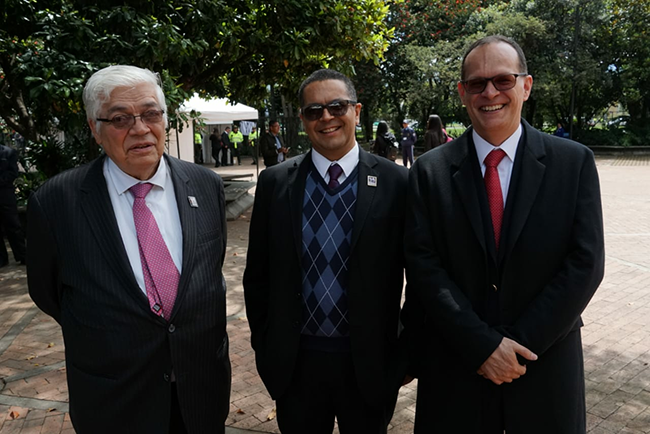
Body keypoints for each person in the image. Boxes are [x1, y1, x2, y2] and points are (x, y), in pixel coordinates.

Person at [403, 35, 604, 433]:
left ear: (526, 86)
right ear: (462, 93)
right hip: (457, 368)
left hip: (544, 365)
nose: (490, 92)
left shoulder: (573, 163)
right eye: (477, 83)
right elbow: (424, 267)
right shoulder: (429, 171)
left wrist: (517, 347)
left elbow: (585, 263)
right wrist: (481, 346)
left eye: (503, 80)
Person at [26, 65, 231, 434]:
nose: (140, 129)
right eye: (120, 118)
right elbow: (48, 293)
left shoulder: (205, 185)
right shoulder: (57, 202)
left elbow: (209, 269)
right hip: (115, 401)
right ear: (95, 129)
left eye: (151, 114)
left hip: (201, 392)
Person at [244, 69, 408, 434]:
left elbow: (421, 274)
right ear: (303, 120)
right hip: (296, 365)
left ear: (357, 111)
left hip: (369, 365)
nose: (327, 117)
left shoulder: (396, 182)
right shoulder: (275, 183)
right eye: (314, 110)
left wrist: (404, 354)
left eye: (337, 106)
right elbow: (257, 277)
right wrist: (265, 346)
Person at [0, 143, 26, 267]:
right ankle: (1, 258)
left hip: (5, 195)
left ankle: (22, 255)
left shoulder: (8, 152)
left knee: (13, 225)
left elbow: (13, 173)